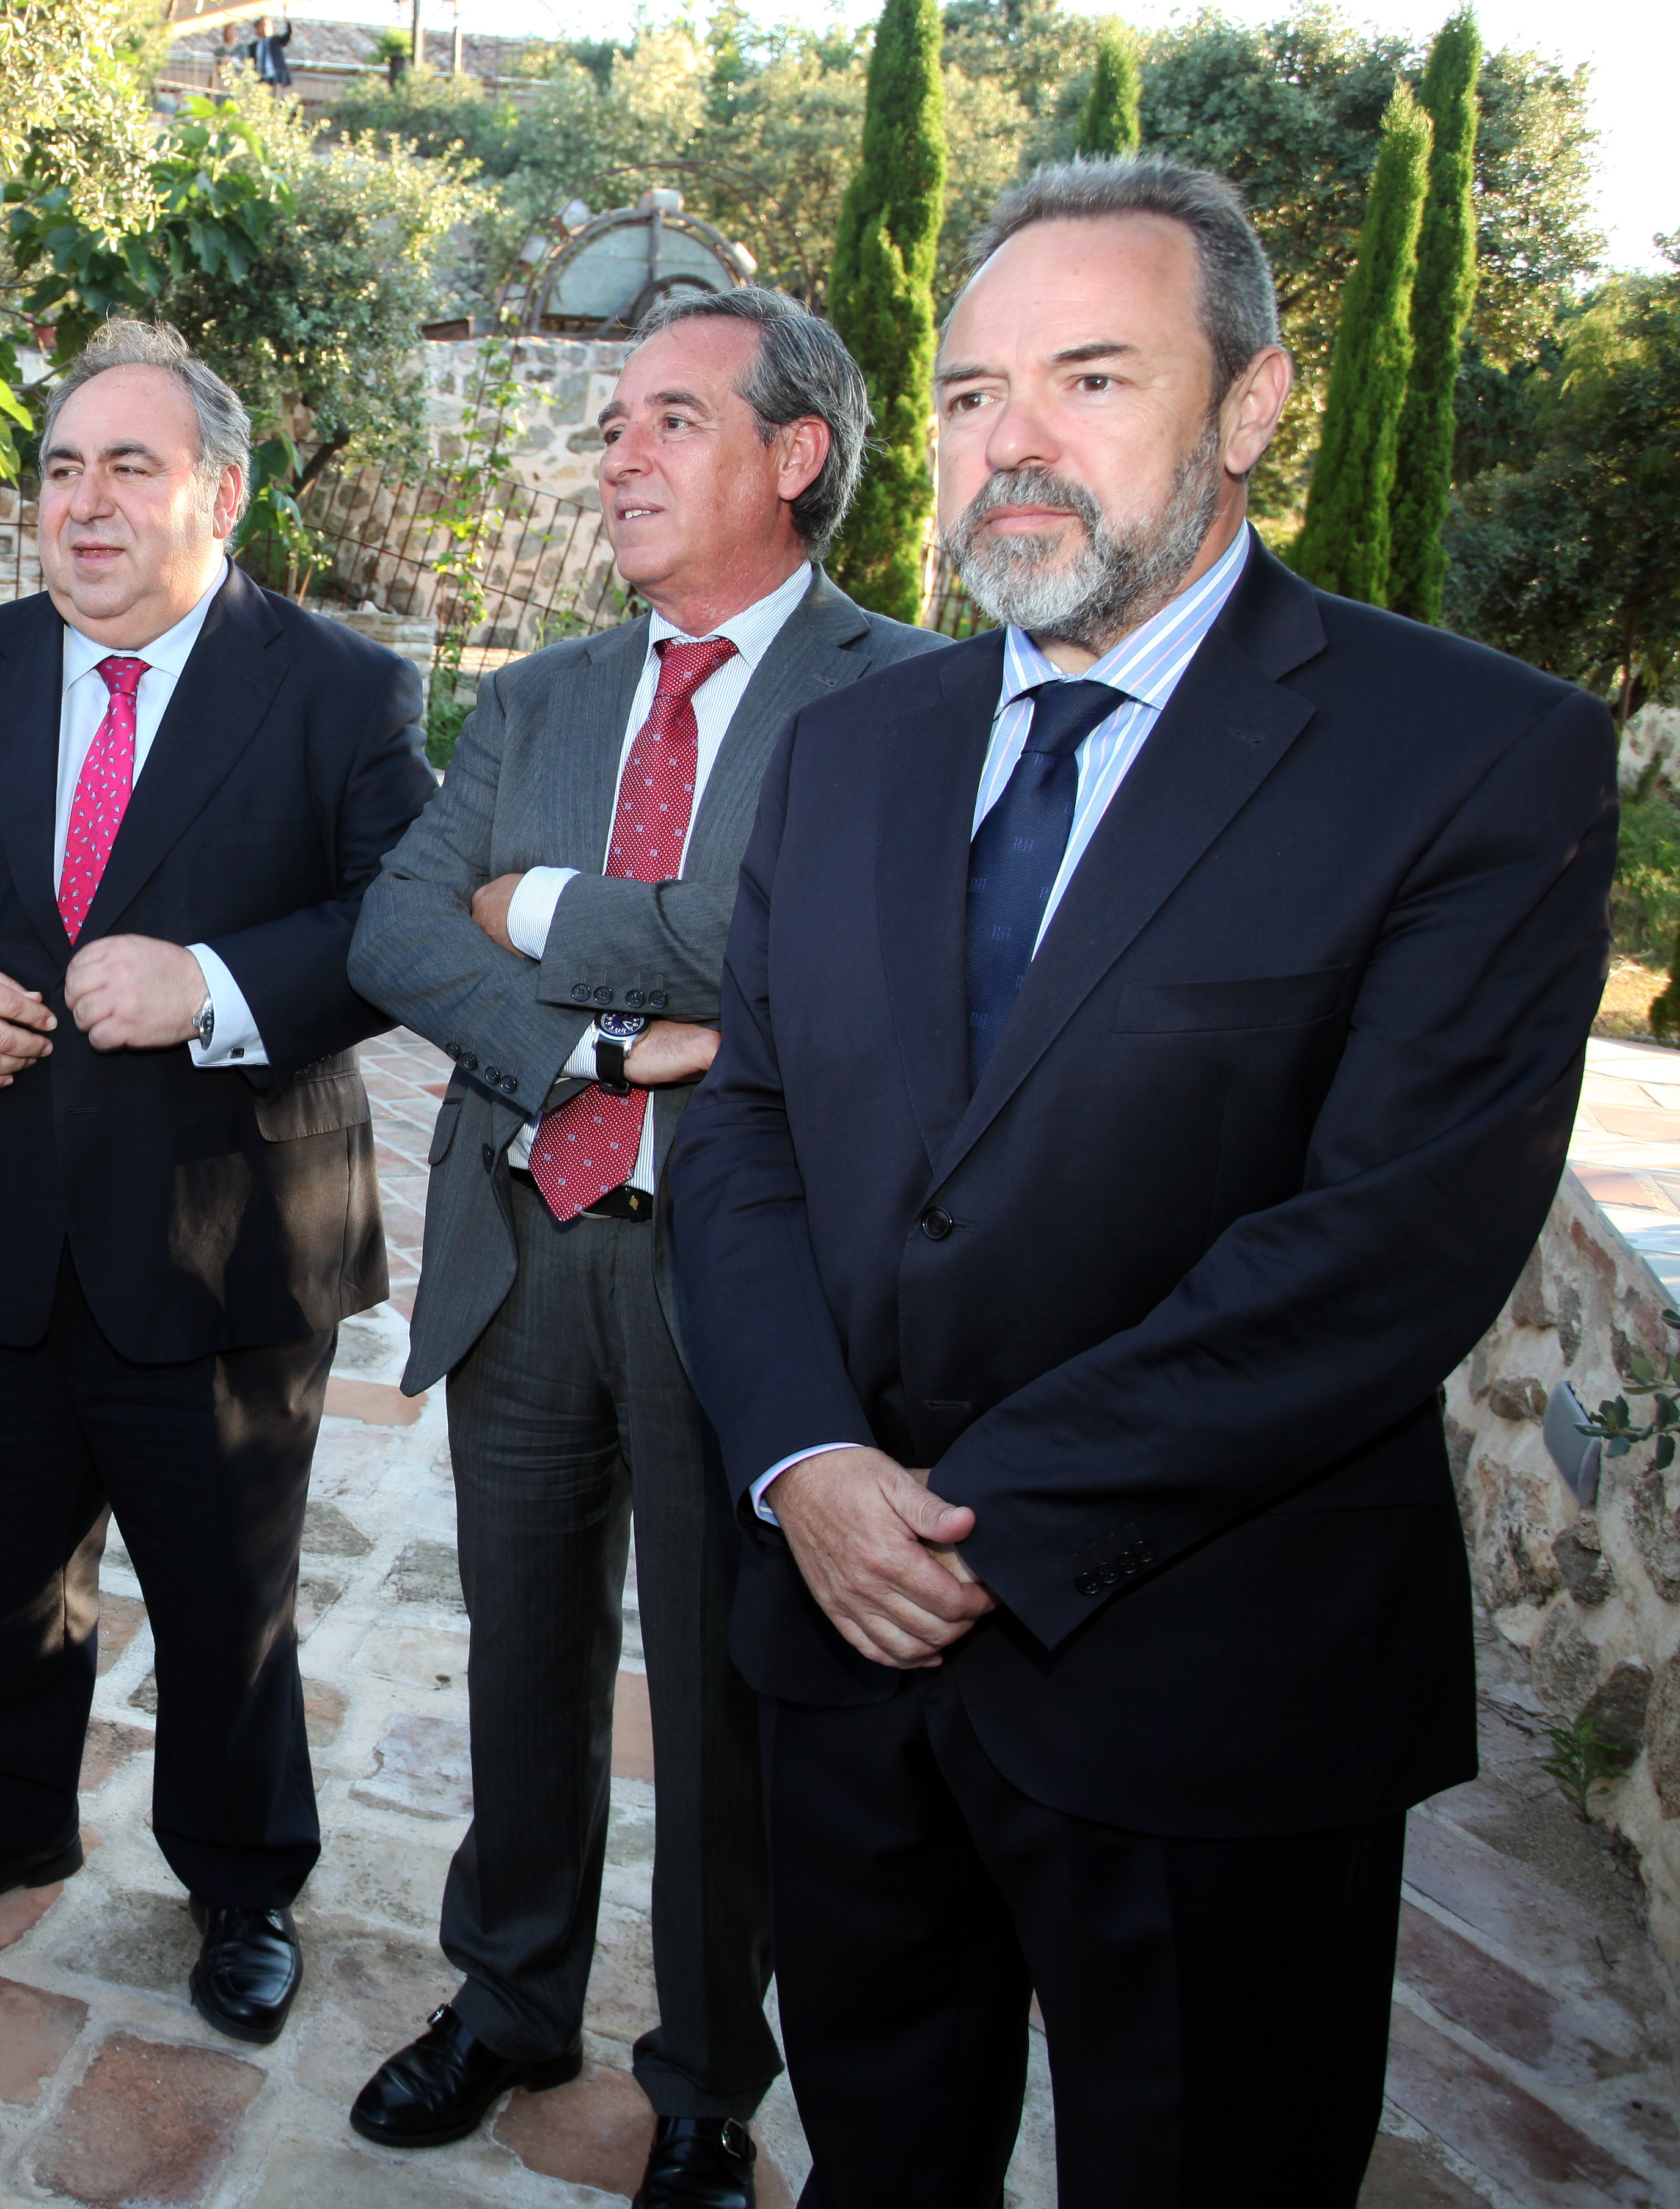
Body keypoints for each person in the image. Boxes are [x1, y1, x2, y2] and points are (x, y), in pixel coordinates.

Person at [664, 156, 1615, 2205]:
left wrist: (974, 1526)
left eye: (1090, 378)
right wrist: (808, 1466)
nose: (1014, 441)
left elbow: (1386, 1247)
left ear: (1252, 403)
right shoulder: (855, 750)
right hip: (838, 1641)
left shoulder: (1469, 757)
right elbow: (745, 1124)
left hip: (1210, 1678)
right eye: (974, 392)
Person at [346, 287, 938, 2204]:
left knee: (719, 1696)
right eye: (614, 425)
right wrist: (597, 1042)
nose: (617, 457)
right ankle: (511, 1997)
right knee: (520, 1656)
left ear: (797, 453)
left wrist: (545, 906)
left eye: (671, 420)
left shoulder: (908, 698)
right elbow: (396, 931)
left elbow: (792, 950)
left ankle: (702, 2076)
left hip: (739, 1281)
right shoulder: (537, 695)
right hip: (526, 1238)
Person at [0, 319, 435, 2049]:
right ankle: (10, 1816)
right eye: (62, 468)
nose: (84, 503)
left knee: (227, 1602)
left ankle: (241, 1878)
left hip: (225, 1248)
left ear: (219, 495)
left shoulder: (341, 690)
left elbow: (399, 920)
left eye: (128, 468)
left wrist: (213, 986)